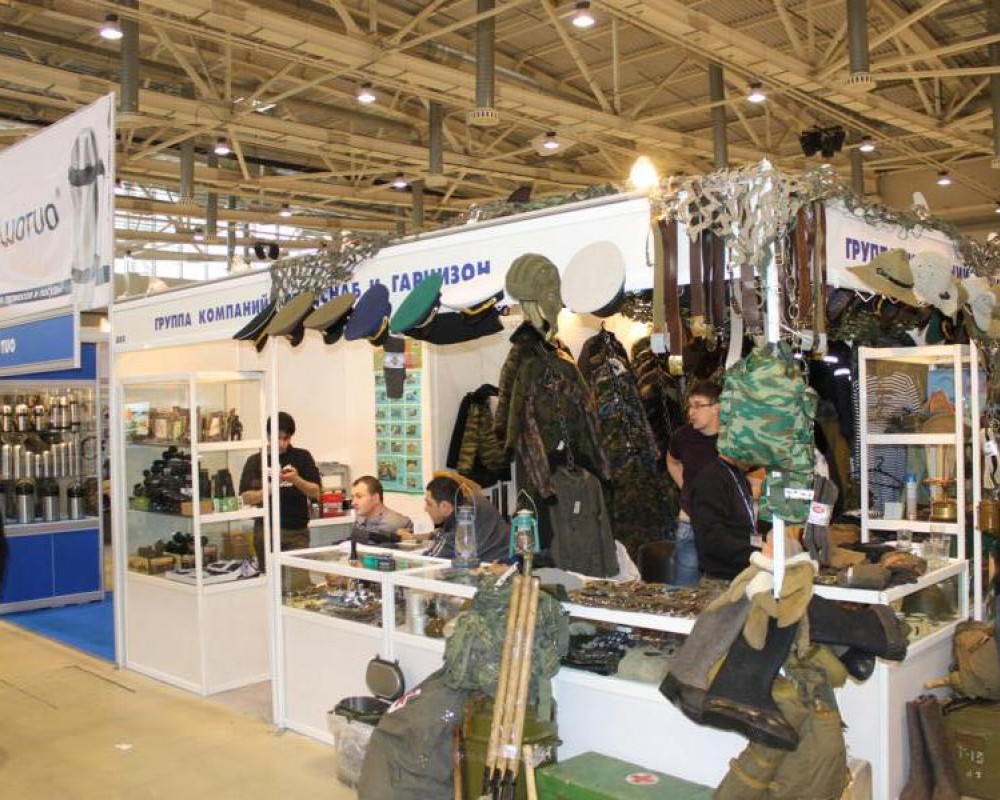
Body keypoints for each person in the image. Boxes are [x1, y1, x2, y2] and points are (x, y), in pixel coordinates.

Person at [239, 411, 321, 576]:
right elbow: (246, 497)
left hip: (296, 532)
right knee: (269, 580)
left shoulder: (302, 456)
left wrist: (296, 479)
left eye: (286, 438)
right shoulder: (255, 460)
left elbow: (316, 492)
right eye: (278, 438)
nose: (282, 443)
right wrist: (271, 487)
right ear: (268, 435)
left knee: (298, 582)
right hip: (266, 531)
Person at [666, 379, 721, 585]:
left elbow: (755, 476)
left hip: (724, 527)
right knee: (684, 590)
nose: (691, 412)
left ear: (716, 407)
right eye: (689, 406)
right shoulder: (682, 437)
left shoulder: (733, 440)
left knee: (724, 591)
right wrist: (688, 488)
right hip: (690, 522)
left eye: (698, 405)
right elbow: (672, 462)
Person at [688, 452, 761, 581]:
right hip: (722, 581)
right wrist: (758, 551)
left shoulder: (739, 475)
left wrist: (763, 543)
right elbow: (712, 539)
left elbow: (744, 531)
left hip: (743, 575)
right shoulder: (710, 480)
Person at [423, 474, 509, 563]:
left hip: (494, 565)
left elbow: (431, 559)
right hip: (503, 557)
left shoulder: (464, 520)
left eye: (429, 504)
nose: (425, 509)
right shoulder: (473, 500)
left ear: (445, 506)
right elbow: (443, 535)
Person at [350, 475, 413, 545]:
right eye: (352, 497)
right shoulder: (360, 519)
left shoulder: (398, 523)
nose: (353, 503)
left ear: (375, 498)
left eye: (359, 497)